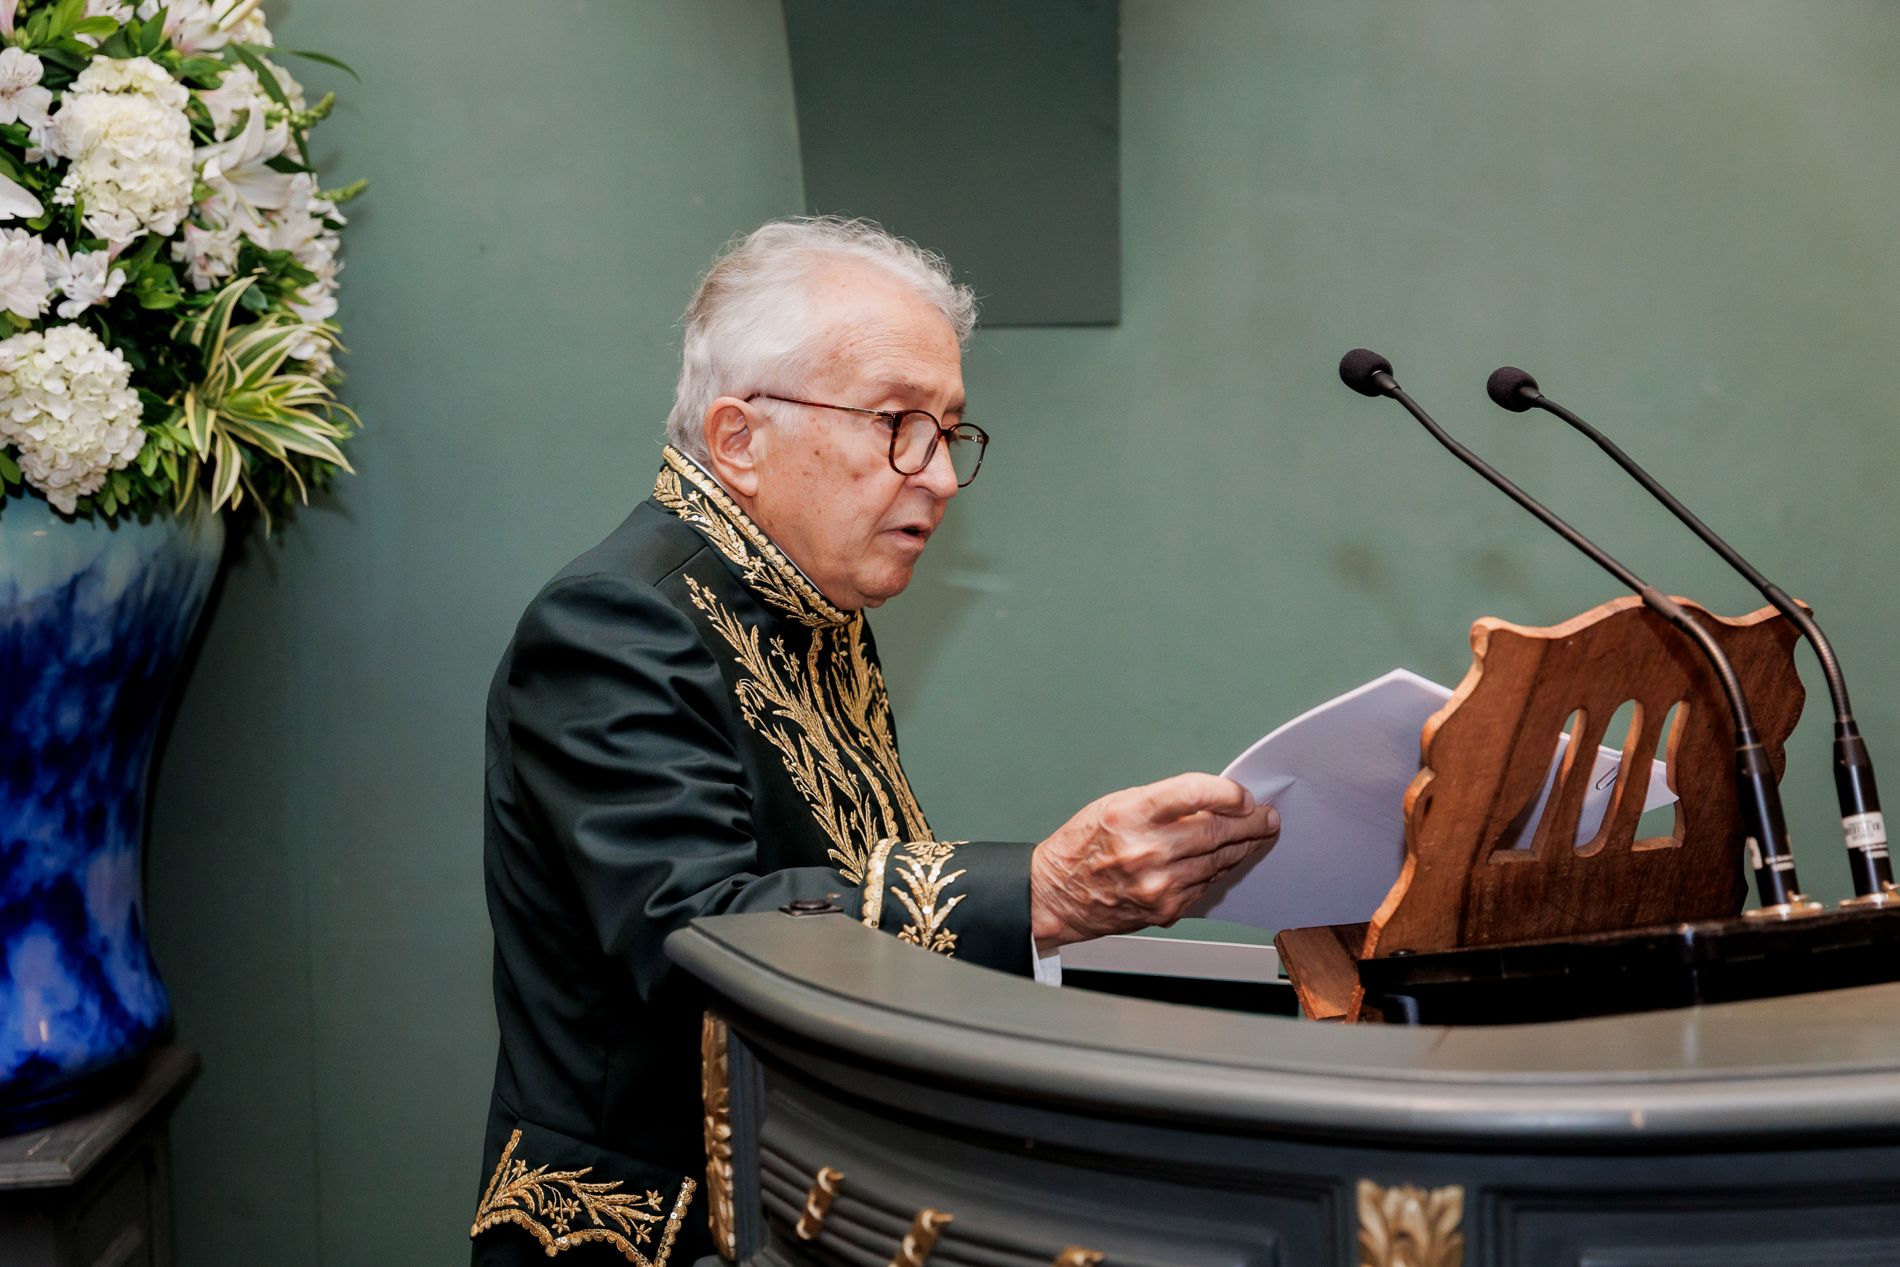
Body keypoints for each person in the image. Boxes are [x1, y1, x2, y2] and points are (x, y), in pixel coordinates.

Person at [471, 218, 1280, 1265]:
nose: (938, 475)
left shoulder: (812, 608)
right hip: (654, 1230)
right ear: (737, 439)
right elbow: (693, 940)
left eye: (949, 431)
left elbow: (844, 885)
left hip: (817, 1188)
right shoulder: (611, 622)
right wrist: (1036, 892)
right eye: (899, 422)